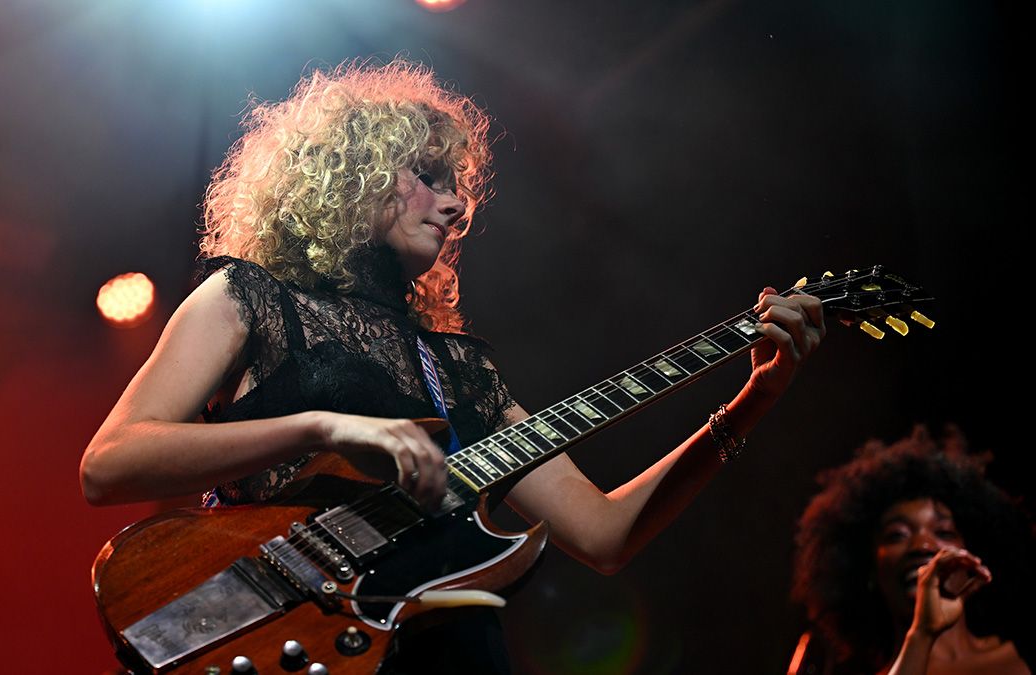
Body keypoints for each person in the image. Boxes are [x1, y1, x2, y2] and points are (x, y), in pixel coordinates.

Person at [79, 59, 824, 673]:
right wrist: (322, 425)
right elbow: (109, 463)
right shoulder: (249, 295)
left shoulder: (459, 368)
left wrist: (753, 398)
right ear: (354, 173)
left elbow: (603, 533)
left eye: (460, 189)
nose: (456, 204)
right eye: (431, 176)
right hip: (283, 631)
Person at [791, 426, 1034, 675]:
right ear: (868, 570)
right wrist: (922, 634)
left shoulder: (1025, 651)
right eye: (897, 535)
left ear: (974, 556)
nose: (922, 546)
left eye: (943, 532)